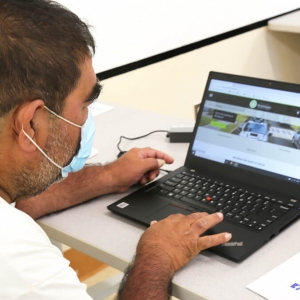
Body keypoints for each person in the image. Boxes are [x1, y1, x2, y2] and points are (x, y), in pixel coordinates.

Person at [0, 1, 232, 299]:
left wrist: (109, 177)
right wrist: (158, 255)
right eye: (85, 104)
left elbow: (21, 201)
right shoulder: (16, 259)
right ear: (30, 124)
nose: (86, 119)